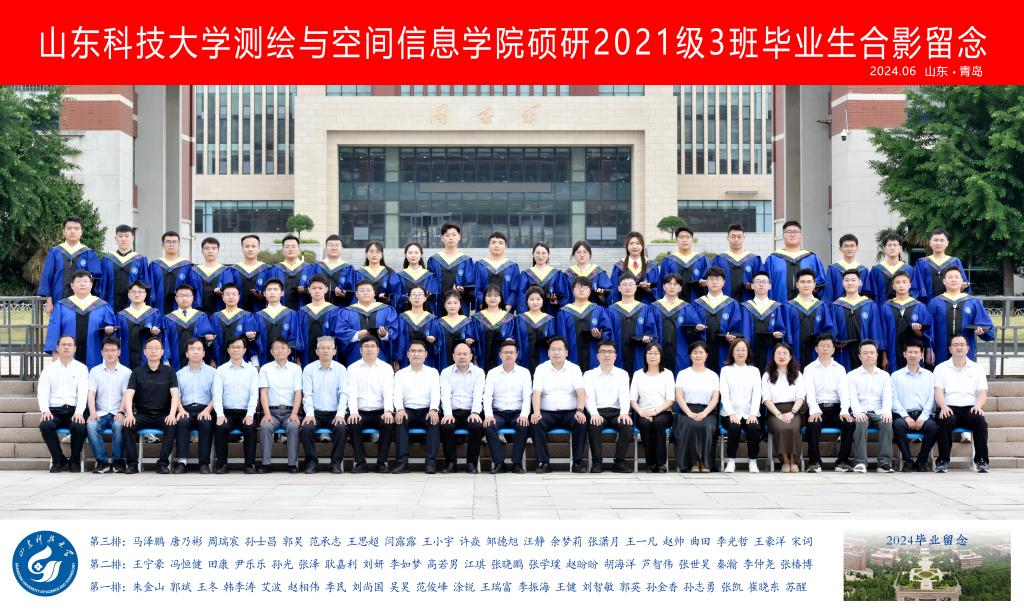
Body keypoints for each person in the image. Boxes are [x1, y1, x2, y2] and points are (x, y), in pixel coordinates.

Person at [121, 337, 186, 475]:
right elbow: (129, 394)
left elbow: (175, 394)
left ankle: (162, 464)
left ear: (162, 352)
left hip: (163, 414)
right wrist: (130, 414)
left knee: (172, 425)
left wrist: (172, 414)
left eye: (157, 348)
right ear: (145, 352)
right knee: (127, 425)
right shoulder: (137, 372)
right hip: (142, 414)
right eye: (150, 348)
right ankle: (132, 464)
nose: (153, 351)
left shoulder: (170, 372)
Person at [934, 334, 990, 473]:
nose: (959, 347)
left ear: (967, 348)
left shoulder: (977, 368)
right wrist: (943, 406)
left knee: (980, 420)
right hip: (949, 407)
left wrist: (978, 406)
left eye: (962, 344)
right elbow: (938, 392)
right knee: (945, 419)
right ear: (950, 349)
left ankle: (981, 460)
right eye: (955, 345)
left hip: (970, 408)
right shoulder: (941, 368)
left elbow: (982, 393)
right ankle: (942, 460)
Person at [530, 337, 587, 473]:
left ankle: (577, 462)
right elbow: (536, 393)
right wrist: (536, 412)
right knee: (536, 422)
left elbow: (581, 392)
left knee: (581, 422)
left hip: (570, 412)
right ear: (548, 352)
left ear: (566, 352)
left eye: (559, 349)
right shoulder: (541, 369)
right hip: (547, 413)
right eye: (553, 349)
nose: (556, 352)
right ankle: (543, 463)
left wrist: (580, 410)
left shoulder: (574, 369)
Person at [802, 334, 855, 473]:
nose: (825, 349)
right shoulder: (809, 369)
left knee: (849, 423)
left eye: (828, 346)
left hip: (836, 408)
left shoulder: (840, 368)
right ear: (816, 349)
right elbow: (809, 393)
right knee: (813, 424)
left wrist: (844, 410)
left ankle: (842, 461)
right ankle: (814, 462)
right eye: (822, 346)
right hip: (817, 407)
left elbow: (844, 392)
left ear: (833, 349)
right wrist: (814, 410)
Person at [44, 270, 116, 370]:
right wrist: (55, 355)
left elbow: (112, 333)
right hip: (67, 357)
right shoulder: (62, 306)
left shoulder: (102, 306)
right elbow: (54, 332)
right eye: (78, 281)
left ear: (91, 284)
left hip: (95, 358)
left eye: (86, 281)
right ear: (72, 285)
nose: (82, 284)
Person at [37, 335, 89, 472]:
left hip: (73, 410)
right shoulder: (48, 369)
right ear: (57, 348)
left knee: (79, 426)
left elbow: (83, 393)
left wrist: (79, 412)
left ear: (75, 349)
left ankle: (74, 460)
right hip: (54, 411)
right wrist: (45, 411)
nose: (66, 347)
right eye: (63, 344)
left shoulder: (81, 368)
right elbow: (42, 393)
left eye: (70, 345)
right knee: (46, 425)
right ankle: (58, 459)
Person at [346, 336, 396, 473]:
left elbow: (388, 392)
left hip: (380, 411)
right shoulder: (353, 368)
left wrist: (388, 411)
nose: (369, 349)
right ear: (360, 350)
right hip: (360, 411)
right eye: (366, 346)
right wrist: (353, 412)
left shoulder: (386, 368)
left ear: (378, 350)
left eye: (372, 346)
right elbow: (352, 393)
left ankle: (382, 462)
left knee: (388, 423)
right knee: (353, 422)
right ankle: (360, 462)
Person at [298, 336, 349, 474]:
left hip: (334, 413)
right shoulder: (309, 369)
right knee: (306, 428)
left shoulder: (341, 369)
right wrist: (309, 414)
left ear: (334, 351)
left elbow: (344, 393)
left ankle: (335, 463)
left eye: (329, 348)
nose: (325, 351)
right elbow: (307, 394)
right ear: (316, 351)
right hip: (316, 413)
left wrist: (340, 414)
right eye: (322, 348)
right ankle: (311, 462)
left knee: (341, 428)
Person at [481, 339, 532, 474]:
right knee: (488, 425)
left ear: (516, 354)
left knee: (523, 425)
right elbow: (487, 396)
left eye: (511, 352)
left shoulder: (524, 373)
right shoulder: (492, 373)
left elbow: (527, 397)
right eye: (505, 352)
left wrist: (524, 415)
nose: (508, 355)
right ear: (500, 355)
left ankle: (517, 463)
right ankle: (499, 463)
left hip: (517, 412)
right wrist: (488, 415)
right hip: (498, 413)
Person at [583, 340, 634, 473]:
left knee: (627, 426)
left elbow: (624, 395)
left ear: (615, 356)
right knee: (594, 425)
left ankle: (619, 462)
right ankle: (597, 463)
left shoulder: (622, 374)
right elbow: (589, 397)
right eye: (603, 352)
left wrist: (624, 413)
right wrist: (594, 413)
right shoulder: (589, 375)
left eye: (610, 352)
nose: (607, 355)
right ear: (597, 355)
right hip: (598, 411)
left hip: (617, 412)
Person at [392, 339, 442, 473]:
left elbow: (436, 394)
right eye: (413, 351)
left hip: (427, 410)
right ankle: (402, 463)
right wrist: (400, 409)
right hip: (407, 411)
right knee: (400, 419)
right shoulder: (400, 374)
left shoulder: (432, 372)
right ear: (408, 354)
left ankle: (431, 463)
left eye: (420, 351)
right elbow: (397, 395)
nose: (416, 354)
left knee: (433, 420)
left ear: (425, 354)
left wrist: (434, 409)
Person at [211, 336, 260, 474]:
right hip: (226, 412)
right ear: (228, 350)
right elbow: (217, 394)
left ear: (244, 350)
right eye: (232, 347)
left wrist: (250, 414)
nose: (236, 350)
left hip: (245, 412)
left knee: (250, 428)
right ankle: (222, 464)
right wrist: (220, 414)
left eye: (239, 347)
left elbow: (254, 395)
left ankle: (249, 465)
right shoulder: (221, 370)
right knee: (220, 428)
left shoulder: (251, 370)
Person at [926, 267, 993, 365]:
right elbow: (929, 330)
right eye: (950, 277)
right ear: (944, 281)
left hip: (966, 351)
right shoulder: (935, 303)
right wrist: (929, 349)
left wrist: (982, 332)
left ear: (962, 281)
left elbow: (987, 327)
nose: (953, 279)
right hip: (941, 351)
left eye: (956, 277)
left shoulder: (973, 302)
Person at [891, 339, 939, 472]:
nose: (913, 355)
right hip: (903, 415)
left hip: (923, 415)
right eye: (910, 352)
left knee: (933, 427)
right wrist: (906, 417)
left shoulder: (929, 375)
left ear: (922, 355)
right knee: (897, 425)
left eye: (916, 352)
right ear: (904, 354)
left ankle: (921, 461)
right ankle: (907, 461)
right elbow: (894, 400)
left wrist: (923, 417)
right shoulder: (896, 376)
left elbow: (931, 399)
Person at [848, 340, 895, 473]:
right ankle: (860, 462)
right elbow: (852, 397)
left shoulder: (884, 376)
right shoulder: (852, 375)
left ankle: (884, 463)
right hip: (861, 411)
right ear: (859, 356)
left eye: (872, 353)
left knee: (887, 423)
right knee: (861, 423)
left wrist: (886, 412)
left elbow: (887, 396)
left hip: (879, 412)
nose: (869, 355)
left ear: (877, 355)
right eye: (865, 353)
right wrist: (858, 412)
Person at [40, 216, 103, 315]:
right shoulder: (55, 252)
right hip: (58, 300)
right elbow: (47, 277)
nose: (72, 231)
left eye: (76, 228)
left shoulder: (88, 253)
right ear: (64, 232)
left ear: (81, 232)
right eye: (69, 228)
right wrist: (48, 302)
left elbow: (95, 280)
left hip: (84, 304)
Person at [257, 338, 303, 473]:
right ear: (271, 352)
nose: (280, 351)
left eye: (283, 348)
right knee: (265, 427)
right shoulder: (265, 369)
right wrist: (267, 413)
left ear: (289, 351)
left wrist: (294, 413)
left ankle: (292, 464)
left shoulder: (296, 369)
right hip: (272, 412)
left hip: (290, 412)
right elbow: (263, 392)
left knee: (293, 427)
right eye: (276, 348)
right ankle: (265, 464)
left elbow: (298, 393)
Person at [674, 342, 721, 473]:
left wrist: (704, 413)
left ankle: (705, 463)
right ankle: (693, 463)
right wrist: (689, 413)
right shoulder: (683, 374)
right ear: (690, 355)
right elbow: (679, 396)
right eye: (695, 352)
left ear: (706, 355)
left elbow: (715, 398)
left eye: (701, 352)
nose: (698, 355)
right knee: (691, 425)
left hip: (707, 411)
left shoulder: (713, 375)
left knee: (705, 426)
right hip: (686, 410)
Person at [439, 343, 486, 473]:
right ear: (453, 356)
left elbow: (478, 395)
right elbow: (445, 395)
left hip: (471, 411)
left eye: (465, 354)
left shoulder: (479, 372)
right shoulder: (446, 372)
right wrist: (447, 414)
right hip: (452, 411)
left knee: (476, 426)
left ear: (471, 356)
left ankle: (471, 463)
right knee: (446, 426)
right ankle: (450, 463)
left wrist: (475, 412)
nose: (462, 357)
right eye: (459, 354)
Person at [86, 337, 131, 473]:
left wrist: (121, 412)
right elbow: (91, 393)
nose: (110, 353)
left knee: (119, 426)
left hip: (119, 412)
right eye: (106, 350)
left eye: (113, 350)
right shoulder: (95, 371)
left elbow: (126, 395)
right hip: (100, 413)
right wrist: (92, 412)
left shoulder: (126, 372)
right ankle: (102, 462)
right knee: (91, 425)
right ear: (101, 352)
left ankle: (118, 461)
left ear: (119, 352)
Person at [630, 342, 676, 473]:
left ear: (661, 356)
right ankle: (650, 463)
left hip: (663, 412)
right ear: (645, 356)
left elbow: (670, 400)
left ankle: (661, 463)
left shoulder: (667, 374)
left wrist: (655, 412)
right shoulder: (638, 374)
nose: (652, 356)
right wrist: (641, 412)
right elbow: (632, 399)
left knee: (658, 423)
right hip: (643, 412)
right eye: (649, 353)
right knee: (645, 424)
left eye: (656, 353)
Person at [718, 339, 762, 473]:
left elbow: (757, 394)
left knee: (754, 427)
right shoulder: (725, 370)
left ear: (748, 352)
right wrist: (731, 413)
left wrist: (753, 413)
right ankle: (731, 461)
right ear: (732, 352)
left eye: (743, 350)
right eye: (737, 350)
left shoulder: (754, 371)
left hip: (750, 412)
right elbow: (724, 395)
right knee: (734, 427)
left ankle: (753, 461)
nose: (740, 352)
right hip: (730, 413)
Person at [174, 338, 216, 474]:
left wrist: (207, 410)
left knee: (206, 423)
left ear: (204, 353)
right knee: (182, 422)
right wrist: (180, 410)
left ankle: (204, 463)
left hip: (206, 409)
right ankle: (182, 462)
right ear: (187, 354)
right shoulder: (179, 374)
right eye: (192, 349)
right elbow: (176, 395)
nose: (195, 352)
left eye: (199, 349)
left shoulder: (213, 373)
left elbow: (216, 396)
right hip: (185, 409)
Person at [762, 343, 806, 473]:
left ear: (790, 356)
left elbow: (801, 397)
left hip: (794, 410)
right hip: (774, 411)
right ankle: (785, 461)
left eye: (785, 353)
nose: (782, 356)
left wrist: (792, 412)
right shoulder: (767, 375)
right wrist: (779, 415)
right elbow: (766, 399)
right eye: (779, 353)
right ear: (773, 357)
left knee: (793, 428)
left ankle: (794, 461)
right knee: (781, 428)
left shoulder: (797, 374)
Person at [691, 266, 743, 373]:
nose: (714, 282)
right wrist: (695, 329)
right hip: (702, 349)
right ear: (706, 282)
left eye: (718, 279)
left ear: (723, 282)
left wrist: (731, 336)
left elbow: (736, 328)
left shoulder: (732, 304)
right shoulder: (697, 303)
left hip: (724, 349)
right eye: (711, 279)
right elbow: (691, 328)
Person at [831, 269, 885, 371]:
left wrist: (875, 352)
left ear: (860, 283)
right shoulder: (836, 305)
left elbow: (875, 330)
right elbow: (833, 329)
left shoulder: (870, 305)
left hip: (865, 351)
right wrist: (836, 343)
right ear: (842, 283)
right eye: (847, 280)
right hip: (843, 352)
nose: (850, 283)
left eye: (853, 280)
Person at [337, 279, 400, 366]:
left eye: (368, 290)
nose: (365, 293)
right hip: (354, 358)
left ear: (374, 293)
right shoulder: (346, 312)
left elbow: (394, 332)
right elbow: (340, 331)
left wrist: (384, 335)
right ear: (356, 294)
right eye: (362, 291)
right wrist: (357, 335)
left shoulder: (387, 310)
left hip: (381, 359)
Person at [879, 270, 932, 374]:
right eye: (898, 282)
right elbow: (882, 334)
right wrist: (884, 357)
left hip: (914, 351)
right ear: (893, 286)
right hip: (892, 352)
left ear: (909, 285)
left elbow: (927, 333)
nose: (901, 285)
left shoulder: (920, 307)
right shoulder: (885, 307)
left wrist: (918, 332)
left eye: (904, 282)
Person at [557, 276, 612, 373]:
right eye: (578, 287)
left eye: (585, 287)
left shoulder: (598, 310)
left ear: (590, 291)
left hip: (594, 356)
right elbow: (561, 336)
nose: (581, 290)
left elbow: (608, 332)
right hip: (572, 357)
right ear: (572, 291)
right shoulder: (564, 312)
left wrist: (600, 335)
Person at [762, 220, 826, 302]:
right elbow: (765, 285)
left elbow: (820, 284)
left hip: (807, 306)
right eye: (788, 232)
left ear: (801, 235)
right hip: (779, 305)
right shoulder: (773, 259)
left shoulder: (812, 258)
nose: (792, 235)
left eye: (796, 232)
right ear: (783, 235)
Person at [649, 274, 700, 376]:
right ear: (663, 286)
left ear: (680, 288)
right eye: (669, 283)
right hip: (658, 350)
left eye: (675, 284)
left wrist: (696, 330)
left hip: (680, 350)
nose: (672, 286)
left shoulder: (686, 307)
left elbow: (694, 334)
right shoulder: (654, 307)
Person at [783, 270, 834, 369]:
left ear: (814, 284)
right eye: (802, 282)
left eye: (809, 282)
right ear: (797, 284)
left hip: (816, 352)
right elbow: (785, 332)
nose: (806, 285)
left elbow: (827, 330)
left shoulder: (821, 306)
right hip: (795, 351)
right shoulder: (788, 306)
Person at [607, 276, 656, 373]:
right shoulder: (611, 310)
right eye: (624, 285)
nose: (628, 287)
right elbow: (607, 334)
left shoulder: (645, 309)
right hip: (618, 355)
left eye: (631, 285)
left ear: (636, 288)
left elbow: (652, 332)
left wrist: (648, 338)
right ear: (619, 288)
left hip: (639, 354)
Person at [739, 271, 787, 371]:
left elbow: (781, 328)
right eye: (758, 282)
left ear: (769, 286)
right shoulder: (745, 307)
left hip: (770, 349)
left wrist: (778, 334)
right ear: (752, 286)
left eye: (764, 282)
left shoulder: (776, 307)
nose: (761, 284)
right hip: (750, 348)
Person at [162, 284, 215, 372]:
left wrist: (209, 340)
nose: (184, 298)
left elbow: (208, 342)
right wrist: (166, 359)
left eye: (187, 296)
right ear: (176, 298)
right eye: (181, 296)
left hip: (197, 360)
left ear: (192, 298)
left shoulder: (201, 316)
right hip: (175, 362)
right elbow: (165, 340)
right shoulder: (168, 318)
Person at [100, 224, 150, 313]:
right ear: (115, 238)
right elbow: (103, 285)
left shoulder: (140, 260)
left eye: (127, 236)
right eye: (120, 236)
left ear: (132, 238)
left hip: (134, 309)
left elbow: (144, 284)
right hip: (111, 306)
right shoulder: (108, 260)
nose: (123, 239)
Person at [912, 228, 970, 304]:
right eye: (935, 240)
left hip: (951, 305)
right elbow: (917, 288)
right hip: (928, 305)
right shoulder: (922, 263)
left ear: (947, 243)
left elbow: (964, 286)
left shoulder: (955, 262)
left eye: (942, 240)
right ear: (930, 242)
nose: (938, 243)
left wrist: (962, 286)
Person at [295, 275, 342, 366]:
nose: (317, 291)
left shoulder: (334, 311)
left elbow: (338, 336)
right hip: (306, 357)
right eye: (314, 288)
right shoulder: (302, 312)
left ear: (326, 289)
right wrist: (297, 357)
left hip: (329, 356)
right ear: (309, 290)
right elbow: (298, 337)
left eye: (320, 288)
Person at [428, 223, 474, 315]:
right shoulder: (434, 260)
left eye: (454, 235)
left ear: (459, 237)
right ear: (442, 238)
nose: (451, 238)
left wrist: (464, 289)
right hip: (440, 304)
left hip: (460, 304)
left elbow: (471, 284)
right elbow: (431, 284)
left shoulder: (466, 260)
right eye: (447, 235)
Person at [252, 278, 301, 366]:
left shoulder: (291, 314)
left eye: (275, 289)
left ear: (282, 293)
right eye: (269, 290)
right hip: (264, 362)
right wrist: (256, 363)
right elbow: (254, 342)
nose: (272, 292)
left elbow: (295, 339)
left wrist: (296, 360)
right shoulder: (258, 316)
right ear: (264, 294)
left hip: (287, 362)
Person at [114, 281, 163, 369]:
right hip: (125, 360)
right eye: (133, 292)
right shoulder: (121, 315)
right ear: (129, 295)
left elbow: (161, 337)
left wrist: (155, 332)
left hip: (148, 359)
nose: (137, 294)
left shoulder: (154, 314)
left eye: (140, 292)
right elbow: (116, 338)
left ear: (145, 294)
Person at [208, 284, 258, 366]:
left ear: (238, 297)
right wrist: (212, 360)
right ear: (223, 297)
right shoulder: (215, 317)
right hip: (219, 361)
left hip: (242, 362)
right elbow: (210, 342)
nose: (231, 297)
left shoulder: (247, 316)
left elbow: (253, 342)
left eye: (234, 294)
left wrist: (255, 362)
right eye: (227, 294)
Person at [511, 286, 557, 374]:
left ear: (543, 300)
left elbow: (553, 342)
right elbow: (516, 339)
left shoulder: (549, 320)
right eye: (531, 299)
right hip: (524, 360)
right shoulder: (519, 319)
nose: (535, 302)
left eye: (538, 299)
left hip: (544, 360)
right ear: (527, 301)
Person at [190, 236, 240, 316]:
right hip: (198, 312)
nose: (210, 251)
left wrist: (222, 293)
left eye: (214, 248)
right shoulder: (194, 271)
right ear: (202, 251)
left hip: (220, 312)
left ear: (218, 251)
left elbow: (230, 291)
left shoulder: (226, 271)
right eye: (206, 248)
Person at [149, 231, 196, 314]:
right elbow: (151, 289)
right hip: (158, 307)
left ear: (179, 245)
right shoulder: (154, 265)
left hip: (181, 310)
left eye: (174, 242)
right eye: (168, 242)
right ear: (162, 245)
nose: (171, 244)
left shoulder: (188, 266)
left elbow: (192, 290)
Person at [394, 286, 441, 369]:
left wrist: (434, 341)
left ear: (425, 298)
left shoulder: (432, 319)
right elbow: (400, 340)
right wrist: (397, 359)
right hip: (406, 359)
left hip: (427, 359)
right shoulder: (402, 318)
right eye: (414, 294)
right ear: (409, 298)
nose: (417, 297)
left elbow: (438, 343)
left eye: (420, 294)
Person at [712, 224, 762, 302]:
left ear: (744, 238)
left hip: (749, 304)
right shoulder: (719, 259)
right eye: (733, 237)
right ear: (727, 238)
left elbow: (762, 282)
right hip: (724, 303)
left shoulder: (754, 259)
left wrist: (752, 285)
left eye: (739, 237)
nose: (736, 239)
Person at [659, 227, 710, 303]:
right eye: (681, 237)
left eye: (688, 237)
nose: (684, 240)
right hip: (673, 305)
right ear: (676, 240)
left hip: (697, 303)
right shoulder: (668, 260)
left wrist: (705, 284)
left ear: (692, 240)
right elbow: (662, 284)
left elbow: (709, 281)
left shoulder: (702, 259)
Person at [472, 284, 516, 372]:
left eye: (496, 295)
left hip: (502, 360)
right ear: (484, 298)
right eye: (489, 295)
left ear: (500, 299)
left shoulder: (509, 318)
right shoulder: (477, 318)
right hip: (482, 360)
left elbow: (513, 337)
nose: (492, 298)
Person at [432, 290, 479, 371]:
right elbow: (435, 345)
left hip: (463, 360)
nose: (452, 306)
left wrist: (470, 341)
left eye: (455, 303)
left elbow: (474, 342)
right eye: (449, 303)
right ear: (444, 305)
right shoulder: (438, 323)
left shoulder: (467, 322)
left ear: (460, 305)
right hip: (444, 361)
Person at [473, 232, 520, 312]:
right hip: (483, 311)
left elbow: (515, 289)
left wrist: (509, 305)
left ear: (505, 246)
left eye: (500, 243)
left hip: (506, 311)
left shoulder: (512, 267)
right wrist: (482, 303)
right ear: (488, 245)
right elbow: (476, 288)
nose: (497, 245)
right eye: (493, 242)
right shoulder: (479, 265)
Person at [518, 242, 568, 316]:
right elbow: (522, 298)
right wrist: (524, 317)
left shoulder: (557, 274)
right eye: (537, 253)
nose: (540, 256)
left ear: (548, 255)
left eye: (543, 253)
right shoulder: (526, 274)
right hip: (531, 316)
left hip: (552, 314)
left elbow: (563, 297)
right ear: (533, 254)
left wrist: (556, 301)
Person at [610, 231, 660, 304]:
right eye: (631, 243)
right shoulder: (619, 266)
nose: (634, 246)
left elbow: (658, 289)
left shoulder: (651, 266)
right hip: (624, 307)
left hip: (646, 306)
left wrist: (648, 289)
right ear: (627, 246)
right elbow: (614, 290)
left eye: (637, 243)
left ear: (642, 246)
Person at [865, 233, 914, 305]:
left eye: (895, 245)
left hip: (904, 309)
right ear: (884, 249)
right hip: (881, 309)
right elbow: (872, 295)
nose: (892, 248)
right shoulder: (876, 271)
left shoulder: (909, 270)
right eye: (889, 245)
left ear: (900, 248)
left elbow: (913, 293)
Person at [823, 234, 870, 304]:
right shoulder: (833, 269)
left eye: (852, 246)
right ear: (840, 248)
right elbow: (828, 294)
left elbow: (866, 294)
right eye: (846, 246)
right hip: (837, 308)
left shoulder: (863, 270)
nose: (849, 249)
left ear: (857, 248)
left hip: (859, 308)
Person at [310, 234, 355, 308]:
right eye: (330, 245)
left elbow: (352, 291)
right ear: (325, 248)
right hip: (318, 309)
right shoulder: (316, 266)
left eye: (337, 245)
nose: (334, 248)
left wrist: (344, 294)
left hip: (341, 308)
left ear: (342, 248)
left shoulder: (348, 268)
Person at [394, 242, 439, 313]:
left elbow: (434, 296)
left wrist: (428, 295)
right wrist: (407, 297)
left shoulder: (430, 276)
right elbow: (396, 296)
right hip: (405, 314)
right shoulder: (399, 276)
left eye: (416, 253)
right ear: (405, 255)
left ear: (421, 254)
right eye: (410, 253)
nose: (413, 255)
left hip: (425, 314)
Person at [352, 241, 401, 307]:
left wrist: (388, 297)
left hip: (384, 309)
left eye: (378, 252)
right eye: (371, 252)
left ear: (381, 255)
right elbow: (354, 294)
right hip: (363, 309)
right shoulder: (358, 273)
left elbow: (396, 293)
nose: (374, 255)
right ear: (366, 254)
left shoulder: (390, 273)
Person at [233, 234, 274, 312]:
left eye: (253, 246)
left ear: (258, 249)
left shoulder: (267, 269)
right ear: (242, 248)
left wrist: (263, 295)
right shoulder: (233, 269)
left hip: (262, 313)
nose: (250, 249)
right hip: (238, 313)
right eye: (247, 246)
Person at [565, 240, 612, 307]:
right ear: (574, 254)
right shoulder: (568, 274)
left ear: (590, 254)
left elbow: (609, 294)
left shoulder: (599, 273)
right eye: (578, 252)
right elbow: (564, 296)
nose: (582, 255)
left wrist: (601, 295)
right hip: (573, 310)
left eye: (585, 252)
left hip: (594, 311)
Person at [268, 235, 310, 311]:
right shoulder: (275, 269)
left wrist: (306, 290)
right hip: (280, 312)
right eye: (287, 247)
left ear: (299, 250)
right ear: (282, 250)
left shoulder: (309, 268)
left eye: (293, 247)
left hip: (303, 311)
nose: (290, 249)